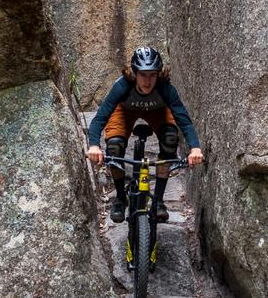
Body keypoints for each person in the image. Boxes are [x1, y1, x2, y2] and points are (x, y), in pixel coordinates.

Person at [86, 46, 204, 223]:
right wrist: (94, 145)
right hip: (125, 111)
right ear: (134, 73)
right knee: (114, 146)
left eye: (152, 75)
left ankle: (158, 201)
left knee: (170, 138)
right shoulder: (122, 86)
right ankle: (120, 198)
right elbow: (100, 118)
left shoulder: (165, 88)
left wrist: (195, 148)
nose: (147, 81)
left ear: (158, 74)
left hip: (157, 110)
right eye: (143, 74)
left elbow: (183, 119)